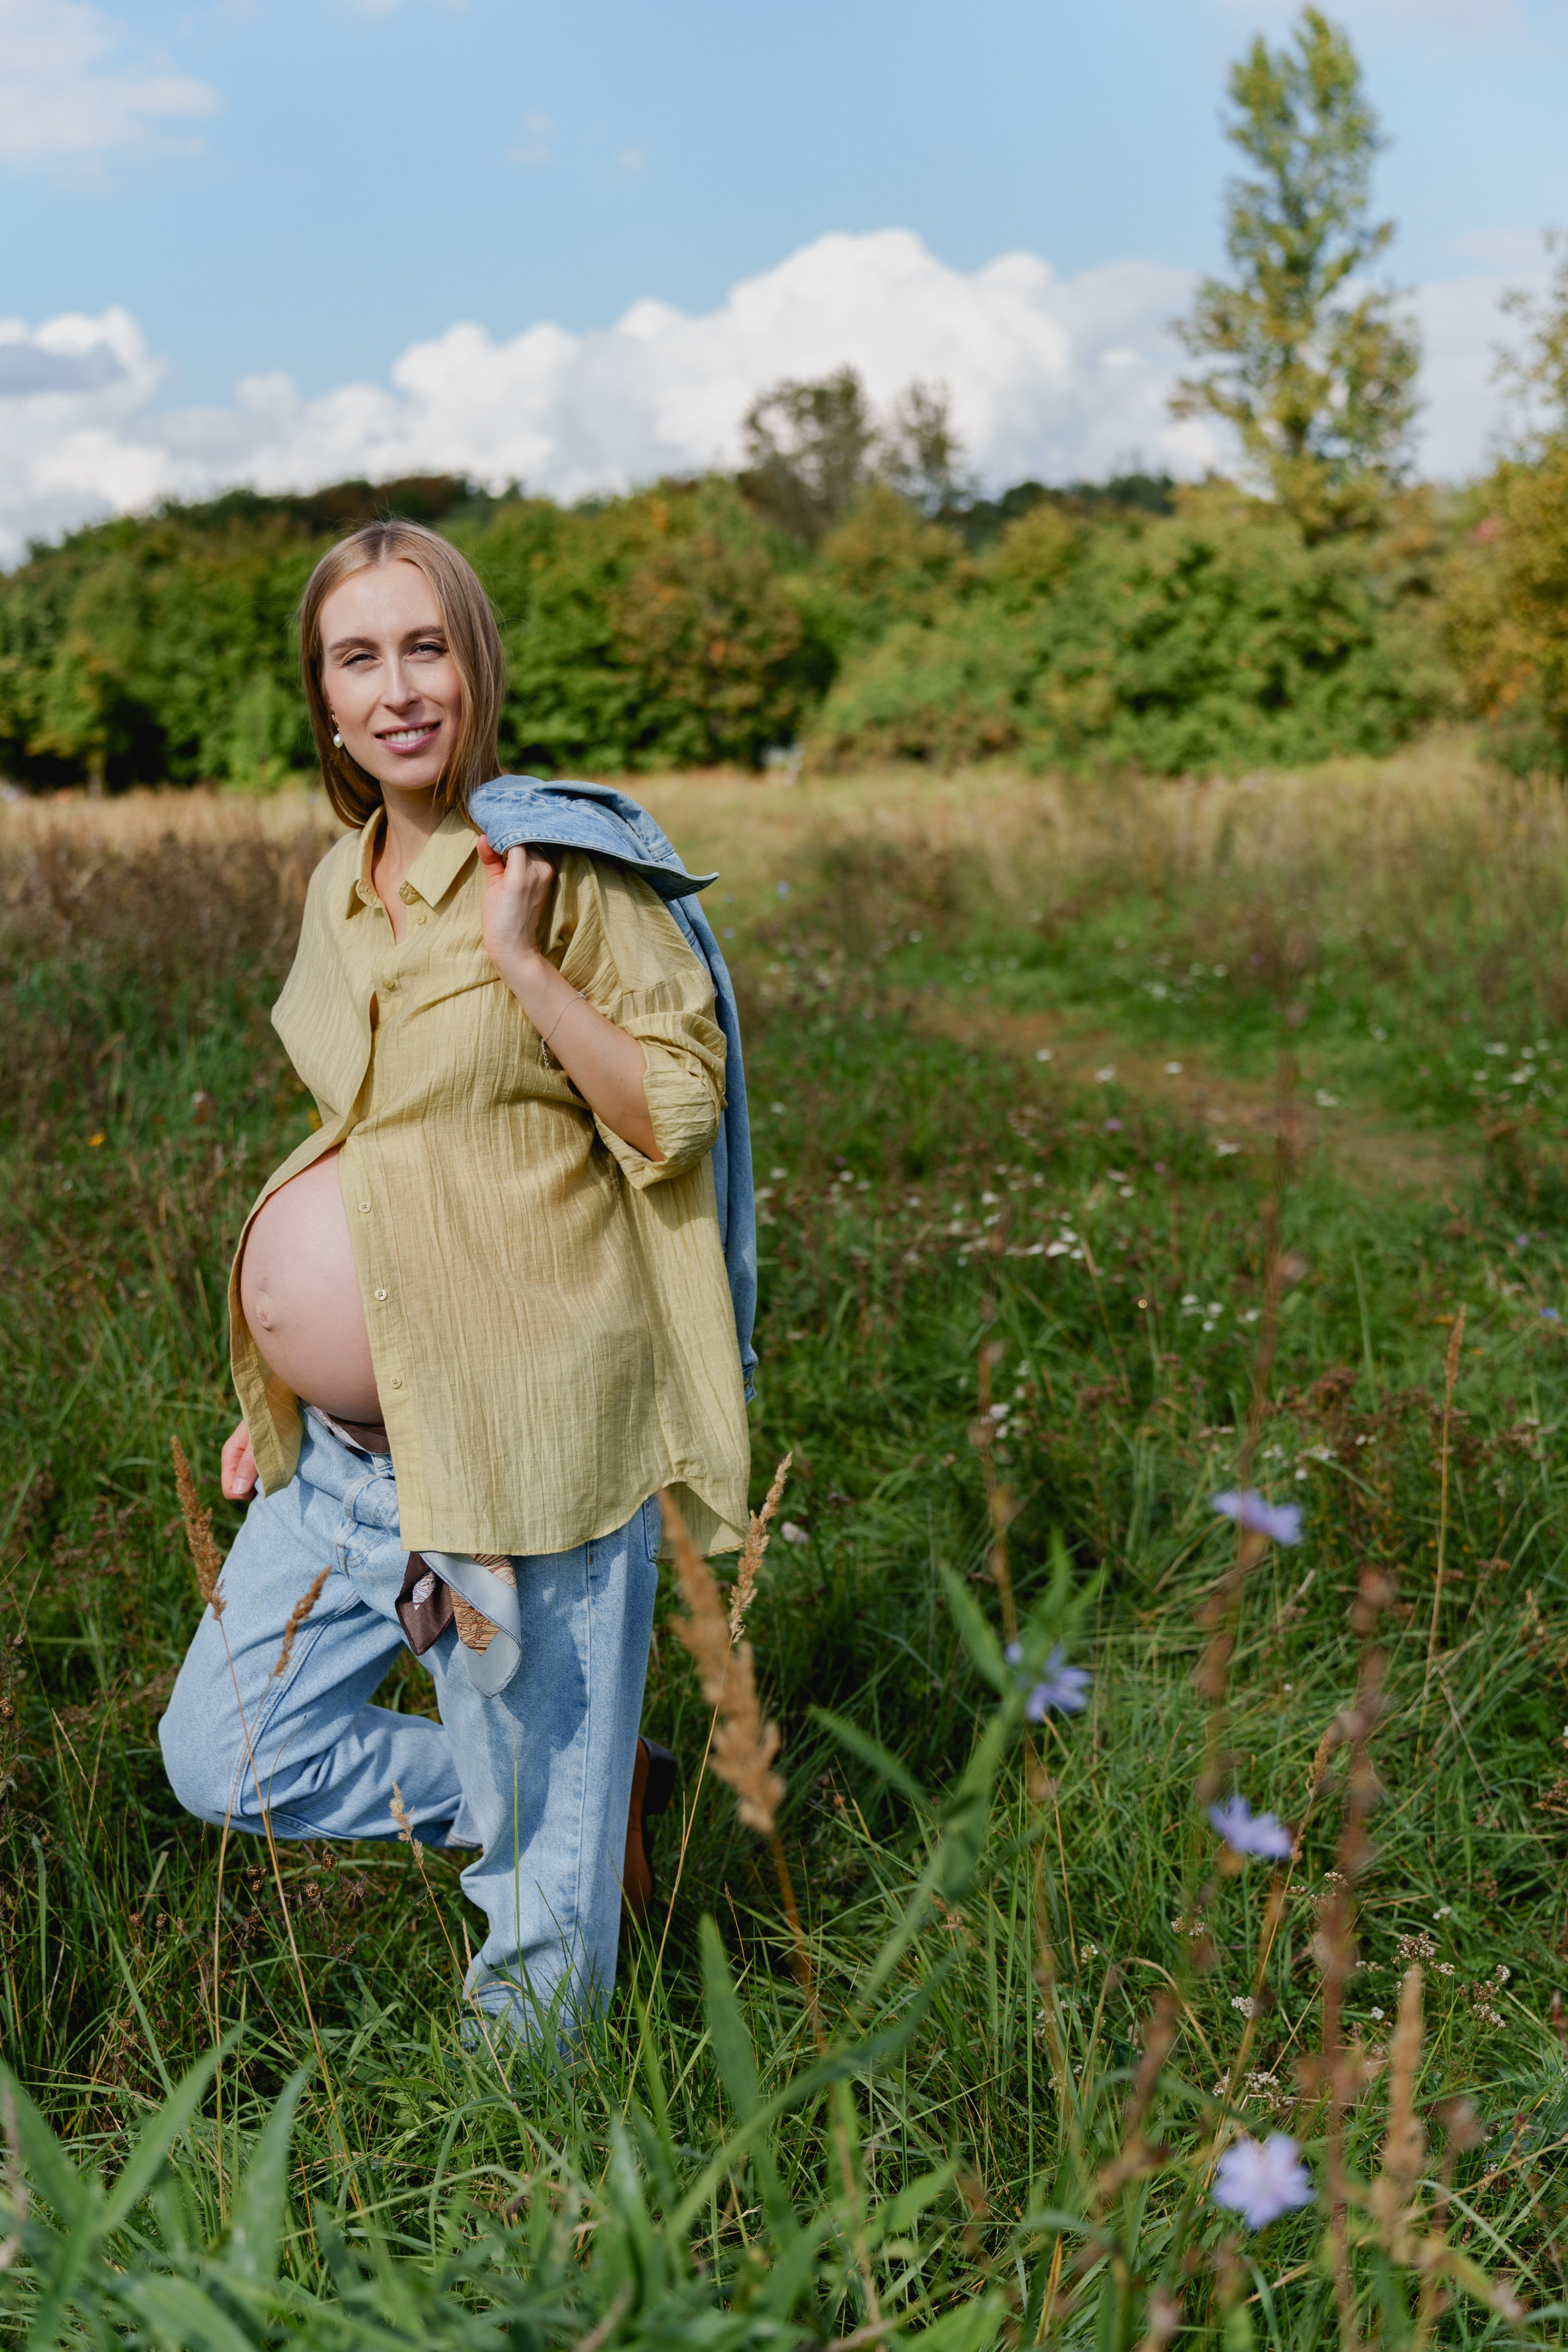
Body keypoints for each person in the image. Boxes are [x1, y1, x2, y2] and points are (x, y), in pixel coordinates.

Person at [159, 519, 752, 2044]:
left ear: (474, 661)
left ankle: (524, 2180)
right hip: (349, 1453)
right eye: (360, 658)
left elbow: (674, 1120)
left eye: (426, 646)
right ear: (327, 696)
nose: (398, 688)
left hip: (517, 1438)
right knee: (225, 1755)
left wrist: (531, 966)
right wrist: (288, 1370)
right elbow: (369, 1124)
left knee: (538, 1929)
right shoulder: (338, 885)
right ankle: (579, 1783)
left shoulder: (567, 865)